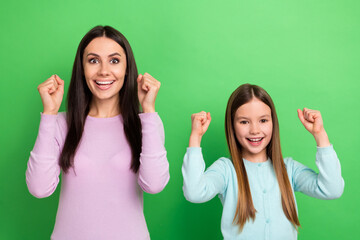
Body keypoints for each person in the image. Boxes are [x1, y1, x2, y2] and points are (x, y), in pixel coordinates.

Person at [26, 25, 170, 240]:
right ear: (82, 69)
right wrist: (49, 114)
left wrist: (149, 110)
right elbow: (39, 188)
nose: (104, 71)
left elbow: (155, 184)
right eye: (93, 60)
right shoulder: (60, 124)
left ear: (127, 69)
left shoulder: (146, 124)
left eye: (114, 60)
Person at [182, 83, 344, 239]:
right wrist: (195, 138)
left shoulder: (289, 169)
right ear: (232, 126)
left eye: (263, 120)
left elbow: (332, 189)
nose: (255, 130)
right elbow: (194, 193)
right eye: (244, 122)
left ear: (273, 123)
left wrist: (320, 134)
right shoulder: (226, 170)